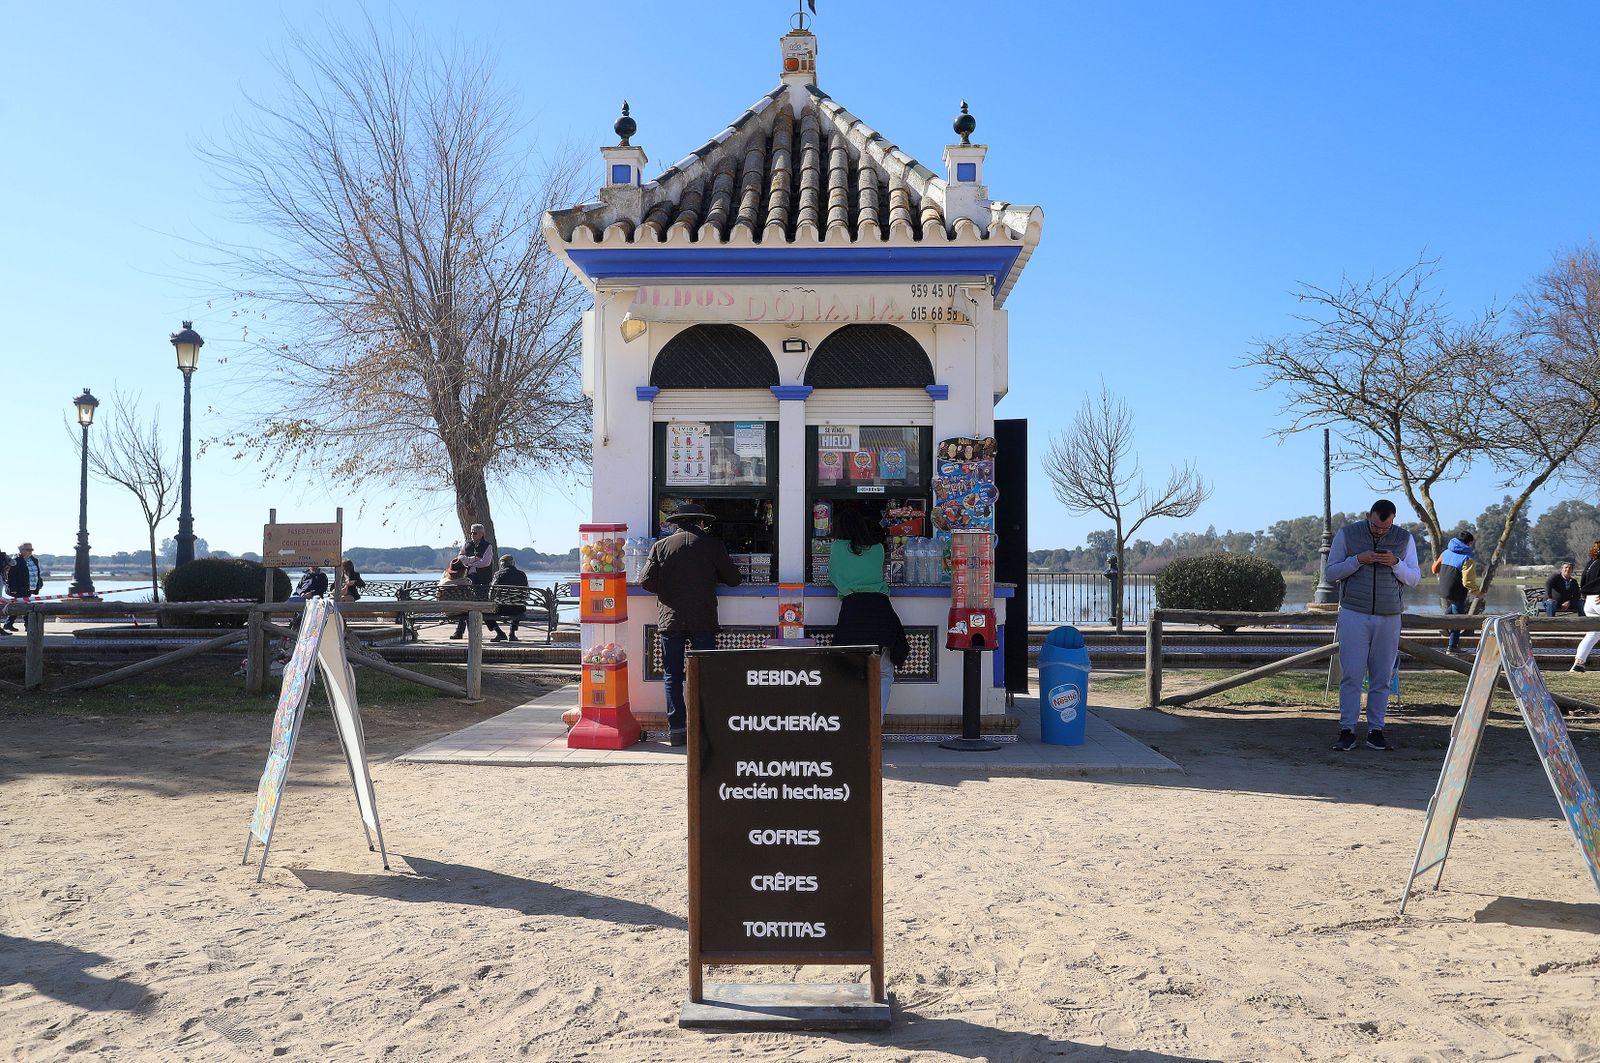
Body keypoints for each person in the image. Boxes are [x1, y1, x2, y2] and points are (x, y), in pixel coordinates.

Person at [639, 502, 742, 745]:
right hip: (703, 619)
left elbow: (645, 580)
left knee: (672, 675)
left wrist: (667, 590)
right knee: (705, 674)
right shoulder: (713, 545)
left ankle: (677, 731)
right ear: (701, 522)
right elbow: (734, 579)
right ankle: (703, 728)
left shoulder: (660, 546)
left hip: (670, 619)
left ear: (677, 523)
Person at [1324, 500, 1420, 751]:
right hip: (1354, 613)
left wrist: (1396, 564)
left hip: (1389, 616)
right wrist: (1358, 560)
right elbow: (1331, 573)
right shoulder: (1348, 534)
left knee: (1382, 676)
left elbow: (1414, 578)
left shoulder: (1404, 538)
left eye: (1385, 528)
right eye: (1376, 526)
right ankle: (1347, 729)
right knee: (1352, 674)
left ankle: (1376, 730)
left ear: (1393, 520)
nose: (1380, 532)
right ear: (1369, 516)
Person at [828, 507, 909, 719]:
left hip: (853, 612)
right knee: (883, 672)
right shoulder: (878, 549)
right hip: (881, 611)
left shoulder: (836, 547)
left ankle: (854, 725)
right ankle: (874, 726)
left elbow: (834, 577)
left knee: (851, 671)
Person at [1435, 532, 1482, 654]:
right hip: (1457, 591)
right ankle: (1452, 647)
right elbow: (1467, 582)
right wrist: (1477, 593)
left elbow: (1434, 568)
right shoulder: (1467, 558)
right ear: (1470, 543)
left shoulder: (1446, 552)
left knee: (1452, 610)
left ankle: (1442, 624)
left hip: (1444, 589)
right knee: (1458, 619)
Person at [453, 525, 502, 640]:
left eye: (474, 533)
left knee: (482, 605)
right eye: (471, 533)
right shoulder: (467, 545)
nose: (472, 535)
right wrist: (474, 559)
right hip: (468, 578)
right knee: (465, 603)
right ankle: (459, 632)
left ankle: (497, 631)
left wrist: (469, 561)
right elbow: (460, 558)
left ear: (481, 534)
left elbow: (485, 562)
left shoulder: (487, 546)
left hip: (482, 579)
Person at [1571, 543, 1600, 672]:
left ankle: (1579, 663)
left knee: (1593, 634)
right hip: (1598, 599)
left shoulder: (1590, 564)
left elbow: (1583, 583)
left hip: (1589, 601)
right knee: (1593, 634)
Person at [2, 542, 44, 634]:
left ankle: (9, 623)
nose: (30, 552)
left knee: (19, 605)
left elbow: (37, 572)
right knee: (26, 606)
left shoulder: (34, 560)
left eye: (31, 550)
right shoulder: (16, 560)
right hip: (19, 588)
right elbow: (11, 576)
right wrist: (12, 588)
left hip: (30, 587)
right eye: (28, 550)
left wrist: (39, 583)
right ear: (21, 551)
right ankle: (28, 625)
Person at [491, 554, 529, 642]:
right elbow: (526, 594)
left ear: (501, 564)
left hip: (501, 609)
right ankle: (512, 633)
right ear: (513, 563)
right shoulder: (522, 574)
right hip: (518, 609)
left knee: (485, 611)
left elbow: (491, 592)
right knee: (518, 604)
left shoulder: (497, 575)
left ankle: (499, 633)